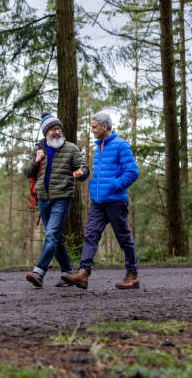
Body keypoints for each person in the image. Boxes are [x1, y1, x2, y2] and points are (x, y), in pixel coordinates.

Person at [62, 111, 140, 290]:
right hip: (98, 201)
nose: (92, 130)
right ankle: (83, 273)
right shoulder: (99, 146)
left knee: (123, 237)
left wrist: (114, 185)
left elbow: (132, 172)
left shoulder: (121, 146)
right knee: (90, 234)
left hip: (115, 201)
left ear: (105, 127)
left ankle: (133, 274)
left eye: (94, 127)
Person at [23, 112, 89, 288]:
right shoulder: (39, 149)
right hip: (43, 199)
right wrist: (36, 160)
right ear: (46, 132)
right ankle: (67, 273)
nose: (57, 132)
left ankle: (39, 271)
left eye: (58, 128)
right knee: (56, 237)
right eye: (53, 129)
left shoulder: (71, 149)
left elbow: (84, 168)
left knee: (51, 234)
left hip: (62, 197)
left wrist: (82, 174)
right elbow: (28, 172)